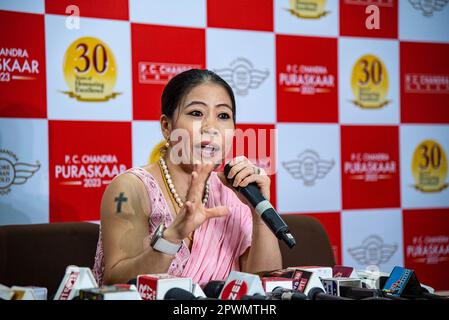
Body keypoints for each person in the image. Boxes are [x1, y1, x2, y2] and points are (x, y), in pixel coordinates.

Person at [92, 69, 282, 287]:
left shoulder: (233, 193)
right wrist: (172, 237)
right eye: (196, 113)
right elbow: (115, 282)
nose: (211, 128)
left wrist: (260, 211)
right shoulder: (130, 189)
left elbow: (265, 284)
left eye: (223, 116)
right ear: (166, 126)